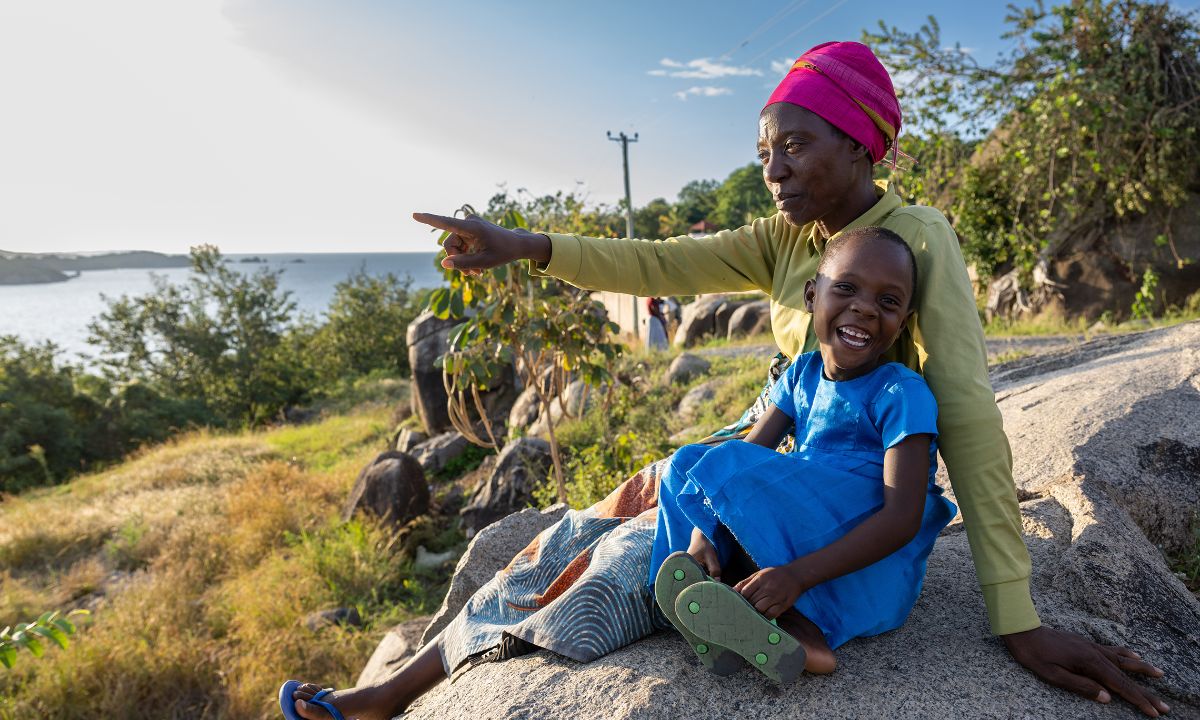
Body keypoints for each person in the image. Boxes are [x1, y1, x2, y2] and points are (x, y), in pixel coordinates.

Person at [281, 40, 1169, 720]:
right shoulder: (787, 236)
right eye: (764, 151)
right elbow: (659, 259)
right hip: (778, 436)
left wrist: (1015, 614)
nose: (773, 169)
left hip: (835, 486)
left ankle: (408, 691)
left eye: (794, 146)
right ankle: (401, 685)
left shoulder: (916, 240)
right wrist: (525, 247)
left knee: (620, 561)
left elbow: (966, 415)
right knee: (592, 517)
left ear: (860, 147)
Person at [651, 226, 955, 684]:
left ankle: (805, 636)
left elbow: (902, 519)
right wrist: (704, 532)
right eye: (847, 288)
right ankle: (702, 591)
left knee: (723, 465)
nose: (866, 308)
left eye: (888, 302)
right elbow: (748, 453)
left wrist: (795, 576)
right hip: (805, 527)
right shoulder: (802, 373)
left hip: (859, 563)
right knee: (685, 464)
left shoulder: (901, 391)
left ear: (904, 319)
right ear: (813, 295)